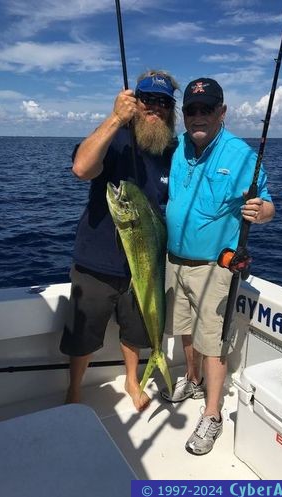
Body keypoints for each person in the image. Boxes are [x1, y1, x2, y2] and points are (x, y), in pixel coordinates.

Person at [162, 77, 275, 454]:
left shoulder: (240, 154)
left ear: (221, 112)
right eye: (191, 110)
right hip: (173, 260)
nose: (197, 116)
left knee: (213, 343)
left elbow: (269, 203)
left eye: (206, 109)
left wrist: (262, 212)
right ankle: (192, 380)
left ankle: (212, 415)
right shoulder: (177, 146)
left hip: (214, 267)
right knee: (184, 330)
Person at [60, 70, 179, 412]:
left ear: (171, 109)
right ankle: (75, 390)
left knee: (136, 331)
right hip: (97, 260)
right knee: (84, 333)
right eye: (147, 100)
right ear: (134, 102)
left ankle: (131, 378)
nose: (154, 107)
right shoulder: (114, 138)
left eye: (163, 102)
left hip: (147, 261)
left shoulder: (172, 149)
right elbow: (82, 169)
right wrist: (115, 118)